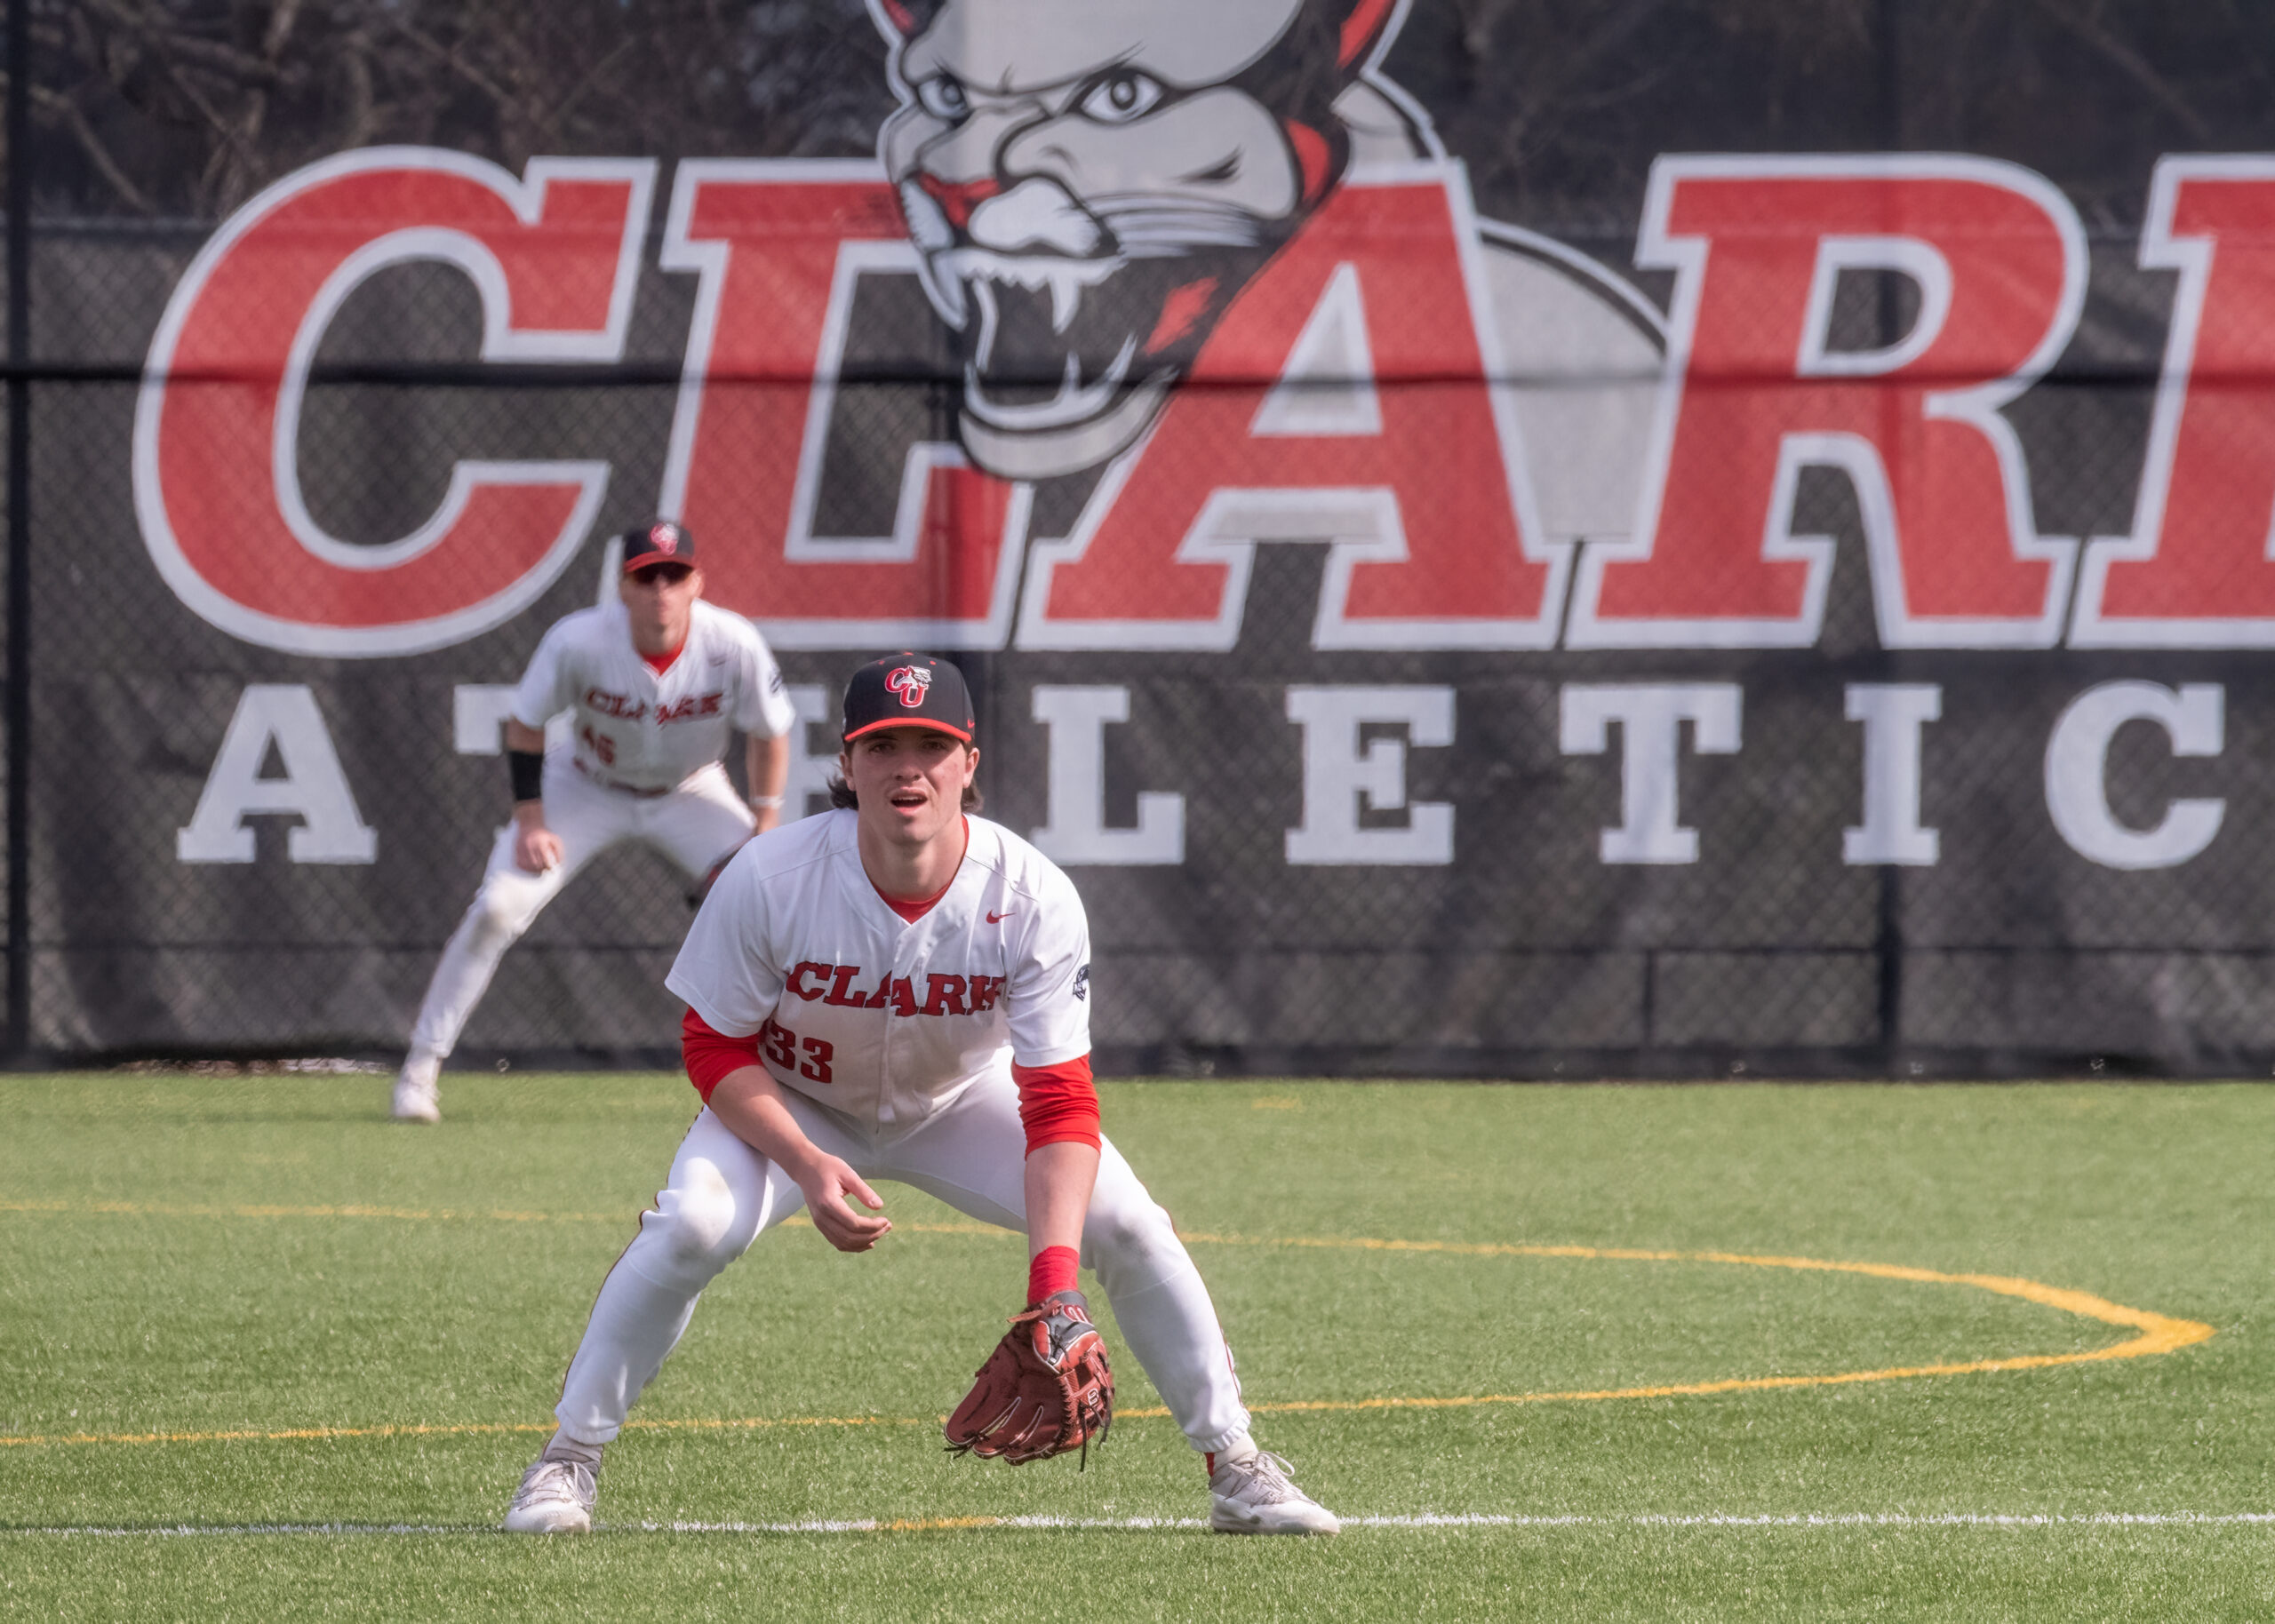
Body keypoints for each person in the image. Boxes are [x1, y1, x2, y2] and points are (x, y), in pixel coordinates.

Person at [500, 653, 1338, 1536]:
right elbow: (712, 1045)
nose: (910, 767)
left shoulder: (1028, 894)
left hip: (956, 1103)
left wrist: (1055, 1289)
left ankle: (1235, 1463)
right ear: (849, 764)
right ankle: (567, 1460)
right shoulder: (770, 875)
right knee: (691, 1227)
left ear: (968, 764)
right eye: (884, 744)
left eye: (933, 745)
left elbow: (1058, 1104)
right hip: (795, 1104)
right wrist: (804, 1159)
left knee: (1129, 1226)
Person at [392, 521, 796, 1123]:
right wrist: (530, 819)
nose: (661, 588)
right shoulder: (579, 641)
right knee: (499, 906)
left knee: (778, 896)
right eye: (646, 577)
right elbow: (526, 724)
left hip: (691, 788)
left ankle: (806, 1073)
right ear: (623, 588)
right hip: (585, 784)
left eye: (674, 575)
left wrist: (766, 820)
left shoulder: (731, 642)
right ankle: (420, 1070)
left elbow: (771, 730)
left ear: (696, 584)